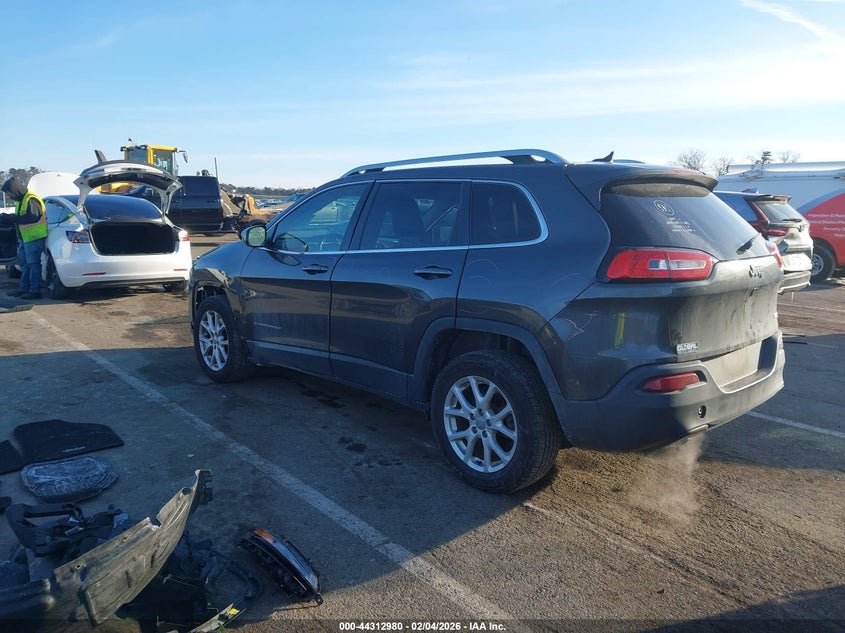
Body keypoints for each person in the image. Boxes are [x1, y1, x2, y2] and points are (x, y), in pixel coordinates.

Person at [1, 176, 47, 299]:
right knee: (24, 265)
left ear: (15, 191)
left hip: (34, 238)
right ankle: (23, 289)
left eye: (9, 194)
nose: (9, 197)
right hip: (25, 238)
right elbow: (22, 216)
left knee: (33, 264)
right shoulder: (22, 200)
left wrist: (12, 218)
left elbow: (32, 217)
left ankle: (34, 291)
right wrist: (8, 216)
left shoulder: (31, 199)